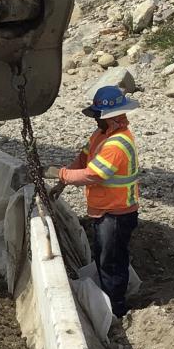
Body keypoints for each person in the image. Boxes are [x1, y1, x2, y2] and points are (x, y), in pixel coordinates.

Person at [57, 85, 140, 320]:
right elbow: (84, 157)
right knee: (107, 256)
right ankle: (110, 301)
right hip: (105, 211)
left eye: (97, 116)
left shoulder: (116, 145)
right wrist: (65, 178)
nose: (95, 120)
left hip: (116, 213)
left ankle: (116, 310)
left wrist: (61, 175)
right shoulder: (102, 136)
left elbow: (93, 174)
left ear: (110, 117)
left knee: (111, 262)